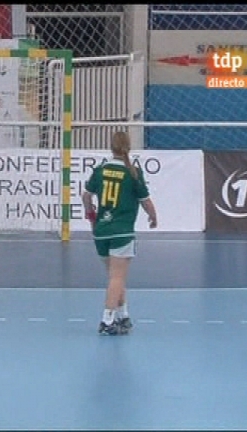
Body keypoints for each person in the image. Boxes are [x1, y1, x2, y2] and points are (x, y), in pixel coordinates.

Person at [81, 131, 158, 336]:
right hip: (121, 231)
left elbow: (86, 196)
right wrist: (153, 217)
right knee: (117, 277)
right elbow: (145, 201)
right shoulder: (133, 173)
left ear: (111, 147)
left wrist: (91, 216)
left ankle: (123, 316)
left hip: (101, 231)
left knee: (116, 277)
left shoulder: (101, 170)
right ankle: (107, 321)